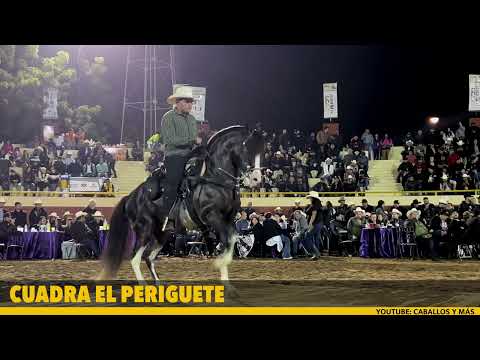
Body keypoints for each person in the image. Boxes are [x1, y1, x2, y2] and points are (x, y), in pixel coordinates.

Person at [161, 86, 202, 213]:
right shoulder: (168, 117)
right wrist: (192, 141)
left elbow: (194, 141)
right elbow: (170, 140)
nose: (190, 104)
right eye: (187, 101)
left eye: (191, 102)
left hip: (191, 155)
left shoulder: (192, 119)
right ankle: (167, 215)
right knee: (173, 183)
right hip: (174, 155)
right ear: (177, 102)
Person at [304, 191, 324, 260]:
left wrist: (310, 224)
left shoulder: (315, 205)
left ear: (313, 198)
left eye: (310, 197)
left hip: (315, 223)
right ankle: (317, 254)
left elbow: (313, 215)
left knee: (307, 236)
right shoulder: (318, 204)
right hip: (319, 223)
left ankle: (316, 253)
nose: (310, 198)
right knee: (316, 238)